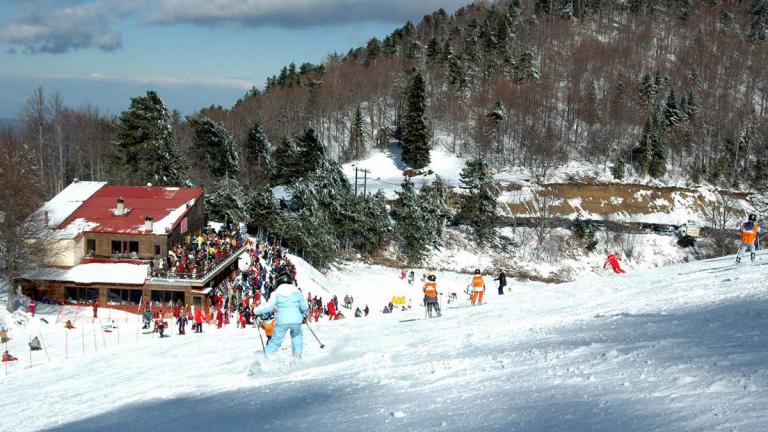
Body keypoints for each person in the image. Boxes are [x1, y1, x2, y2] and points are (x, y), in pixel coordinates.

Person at [252, 273, 308, 359]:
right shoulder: (297, 292)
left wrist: (256, 311)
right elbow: (304, 307)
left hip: (282, 321)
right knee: (297, 336)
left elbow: (268, 307)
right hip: (296, 320)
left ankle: (265, 357)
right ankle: (297, 357)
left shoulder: (276, 293)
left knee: (275, 341)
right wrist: (304, 315)